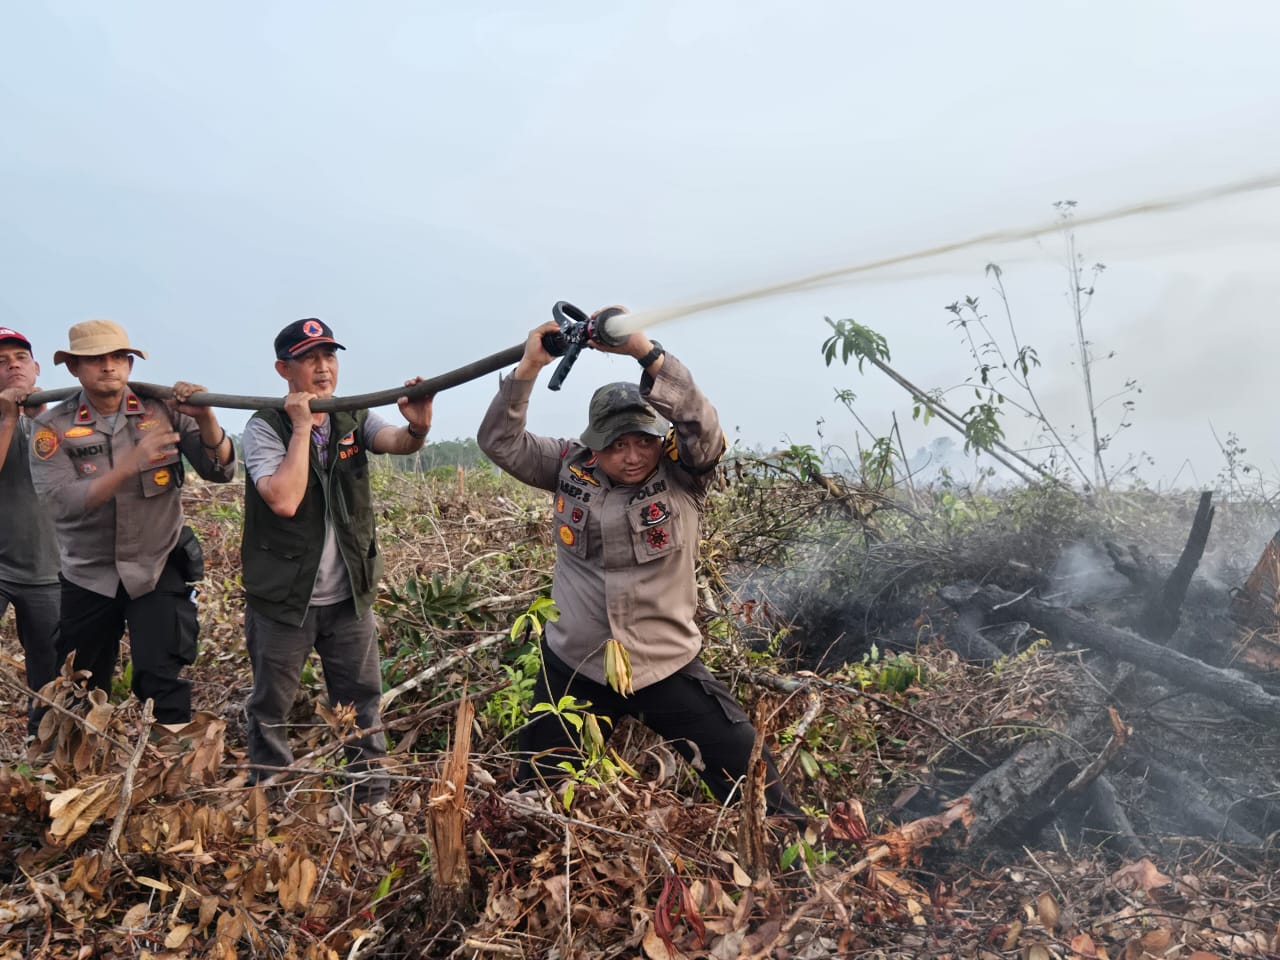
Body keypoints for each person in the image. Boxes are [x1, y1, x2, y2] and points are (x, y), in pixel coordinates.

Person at [478, 310, 804, 821]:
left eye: (643, 441)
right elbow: (500, 443)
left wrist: (644, 353)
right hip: (577, 665)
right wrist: (528, 368)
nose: (632, 456)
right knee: (533, 804)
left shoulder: (683, 474)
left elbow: (703, 426)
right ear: (594, 442)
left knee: (751, 780)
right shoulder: (568, 467)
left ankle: (800, 860)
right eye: (617, 444)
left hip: (662, 663)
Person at [240, 318, 433, 810]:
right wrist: (302, 427)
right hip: (285, 598)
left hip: (349, 594)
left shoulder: (353, 417)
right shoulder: (264, 426)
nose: (323, 367)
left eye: (329, 355)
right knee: (271, 707)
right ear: (284, 369)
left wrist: (419, 424)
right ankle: (270, 802)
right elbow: (283, 499)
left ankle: (369, 799)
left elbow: (398, 442)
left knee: (361, 699)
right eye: (309, 358)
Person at [30, 319, 236, 727]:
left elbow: (219, 470)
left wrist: (206, 417)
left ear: (129, 362)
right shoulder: (51, 427)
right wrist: (127, 466)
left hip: (157, 564)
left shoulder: (163, 409)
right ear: (73, 368)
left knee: (163, 677)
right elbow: (63, 501)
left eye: (117, 357)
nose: (108, 367)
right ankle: (69, 770)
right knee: (78, 683)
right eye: (94, 360)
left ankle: (172, 773)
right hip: (89, 574)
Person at [0, 328, 61, 736]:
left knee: (51, 670)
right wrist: (8, 415)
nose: (13, 366)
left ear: (36, 368)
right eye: (1, 362)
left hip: (49, 570)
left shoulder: (60, 420)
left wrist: (40, 417)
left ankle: (43, 751)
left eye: (20, 358)